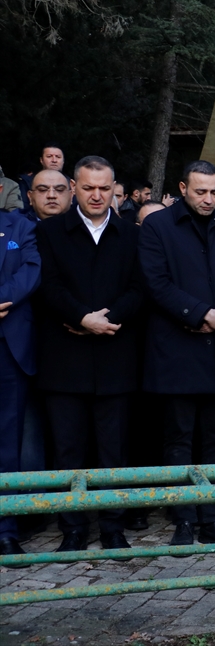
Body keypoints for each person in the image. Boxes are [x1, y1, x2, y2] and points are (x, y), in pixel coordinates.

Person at [139, 160, 215, 547]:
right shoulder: (158, 227)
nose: (208, 199)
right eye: (200, 191)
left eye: (214, 191)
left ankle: (213, 518)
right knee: (178, 439)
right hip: (180, 352)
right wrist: (200, 314)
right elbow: (155, 283)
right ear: (182, 188)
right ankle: (183, 519)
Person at [34, 156, 142, 552]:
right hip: (65, 359)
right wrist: (81, 317)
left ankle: (113, 528)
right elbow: (48, 285)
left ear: (115, 189)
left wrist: (105, 318)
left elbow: (139, 287)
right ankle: (74, 529)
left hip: (115, 356)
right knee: (68, 450)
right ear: (74, 188)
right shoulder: (48, 232)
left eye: (104, 187)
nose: (96, 195)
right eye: (88, 187)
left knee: (114, 450)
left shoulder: (131, 234)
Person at [0, 207, 40, 561]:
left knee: (7, 445)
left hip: (7, 350)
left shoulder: (22, 227)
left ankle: (6, 530)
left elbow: (30, 272)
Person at [17, 143, 65, 212]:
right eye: (49, 156)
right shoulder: (27, 182)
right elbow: (23, 209)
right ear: (41, 160)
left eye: (58, 157)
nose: (54, 160)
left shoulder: (71, 184)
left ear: (63, 161)